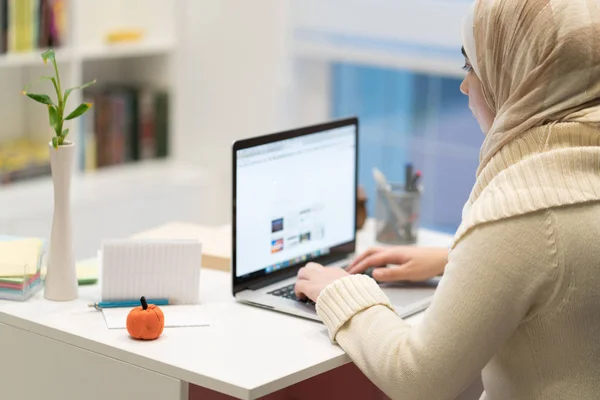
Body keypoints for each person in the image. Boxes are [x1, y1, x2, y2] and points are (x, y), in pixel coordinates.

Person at [294, 0, 600, 399]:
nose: (465, 85)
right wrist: (456, 258)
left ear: (521, 73)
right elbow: (569, 262)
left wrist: (339, 290)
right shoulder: (583, 168)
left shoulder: (525, 209)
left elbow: (418, 378)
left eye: (472, 66)